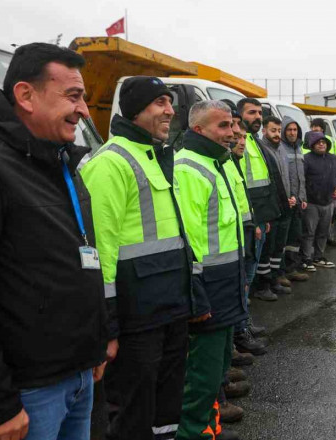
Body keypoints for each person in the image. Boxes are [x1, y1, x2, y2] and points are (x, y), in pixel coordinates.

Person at [0, 43, 107, 440]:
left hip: (78, 376)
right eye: (73, 96)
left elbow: (81, 259)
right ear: (26, 96)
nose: (83, 110)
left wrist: (92, 348)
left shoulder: (62, 163)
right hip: (26, 394)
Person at [81, 76, 194, 440]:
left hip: (169, 307)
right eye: (160, 102)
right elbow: (100, 254)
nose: (170, 110)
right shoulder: (109, 163)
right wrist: (108, 325)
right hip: (136, 318)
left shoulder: (158, 156)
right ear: (135, 110)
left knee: (166, 406)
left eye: (170, 102)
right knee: (133, 410)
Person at [173, 101, 248, 440]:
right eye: (222, 126)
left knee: (216, 370)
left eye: (232, 126)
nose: (231, 133)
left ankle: (209, 429)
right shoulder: (189, 169)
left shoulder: (215, 162)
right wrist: (197, 296)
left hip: (225, 286)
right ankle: (194, 433)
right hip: (208, 292)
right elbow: (189, 242)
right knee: (200, 376)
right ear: (199, 130)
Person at [235, 98, 281, 351]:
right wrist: (255, 222)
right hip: (247, 223)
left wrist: (267, 217)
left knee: (247, 279)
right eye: (252, 113)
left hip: (258, 219)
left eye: (260, 113)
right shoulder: (239, 144)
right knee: (243, 279)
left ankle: (244, 323)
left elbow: (264, 182)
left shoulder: (253, 141)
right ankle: (239, 331)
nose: (258, 117)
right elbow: (243, 186)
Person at [255, 115, 292, 300]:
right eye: (273, 130)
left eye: (279, 130)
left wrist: (290, 197)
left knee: (279, 247)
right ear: (264, 131)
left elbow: (287, 178)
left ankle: (275, 279)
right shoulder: (261, 150)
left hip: (284, 206)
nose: (277, 134)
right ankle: (263, 285)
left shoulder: (282, 150)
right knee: (267, 250)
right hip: (270, 208)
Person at [302, 133, 336, 268]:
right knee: (309, 232)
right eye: (318, 142)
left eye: (323, 142)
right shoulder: (306, 159)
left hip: (328, 202)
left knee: (323, 232)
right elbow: (301, 179)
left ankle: (318, 257)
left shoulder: (334, 159)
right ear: (312, 145)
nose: (321, 144)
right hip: (311, 203)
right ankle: (306, 259)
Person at [275, 116, 311, 282]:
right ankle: (280, 272)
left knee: (295, 238)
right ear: (283, 131)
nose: (292, 133)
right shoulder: (280, 148)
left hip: (298, 202)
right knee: (282, 239)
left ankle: (291, 269)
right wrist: (288, 197)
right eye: (289, 130)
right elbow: (282, 177)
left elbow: (301, 177)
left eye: (295, 130)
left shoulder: (299, 148)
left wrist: (302, 197)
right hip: (286, 202)